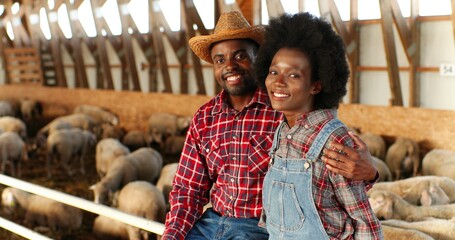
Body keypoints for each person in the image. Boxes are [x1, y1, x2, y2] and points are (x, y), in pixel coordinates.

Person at [162, 11, 378, 240]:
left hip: (261, 228)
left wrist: (370, 172)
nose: (230, 66)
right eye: (220, 60)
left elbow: (331, 175)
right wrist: (172, 235)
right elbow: (188, 190)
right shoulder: (205, 118)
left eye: (240, 56)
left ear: (259, 58)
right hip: (211, 222)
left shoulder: (285, 111)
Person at [255, 12, 383, 239]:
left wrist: (370, 173)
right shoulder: (283, 131)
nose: (278, 82)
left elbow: (362, 218)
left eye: (293, 75)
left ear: (315, 85)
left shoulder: (334, 140)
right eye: (273, 71)